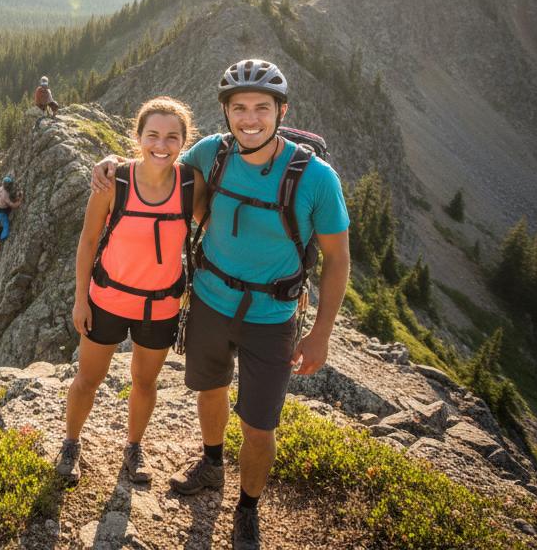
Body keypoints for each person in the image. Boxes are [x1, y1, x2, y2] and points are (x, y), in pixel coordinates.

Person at [90, 60, 350, 550]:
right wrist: (108, 163)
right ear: (226, 113)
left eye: (261, 108)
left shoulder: (316, 178)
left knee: (259, 425)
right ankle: (212, 463)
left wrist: (320, 332)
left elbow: (338, 259)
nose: (249, 119)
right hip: (209, 300)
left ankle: (247, 508)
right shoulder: (212, 152)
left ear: (282, 111)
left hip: (273, 316)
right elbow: (155, 165)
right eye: (238, 109)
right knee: (210, 390)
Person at [56, 97, 202, 487]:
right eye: (152, 134)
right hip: (108, 299)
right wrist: (80, 299)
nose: (161, 144)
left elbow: (215, 225)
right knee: (88, 379)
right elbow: (88, 242)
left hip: (162, 305)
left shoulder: (191, 185)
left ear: (184, 143)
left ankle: (133, 448)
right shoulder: (113, 182)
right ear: (137, 138)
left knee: (145, 382)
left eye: (172, 137)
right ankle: (71, 443)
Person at [0, 175, 23, 254]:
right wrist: (20, 200)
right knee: (5, 228)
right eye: (10, 185)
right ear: (8, 185)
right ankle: (0, 242)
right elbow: (13, 205)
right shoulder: (5, 194)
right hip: (2, 213)